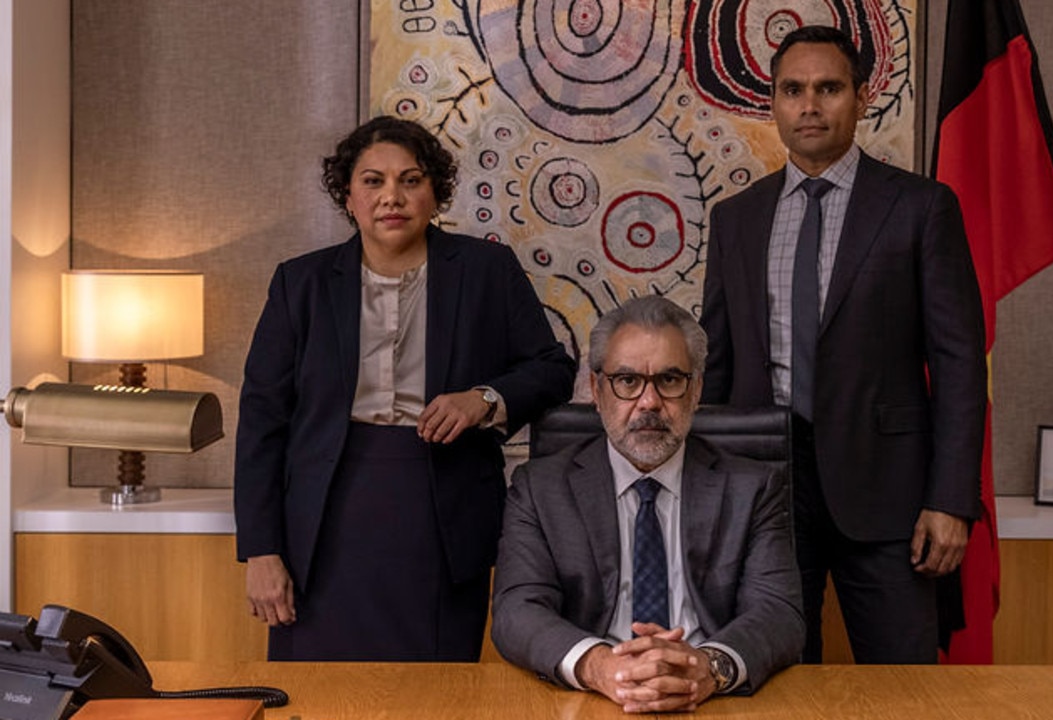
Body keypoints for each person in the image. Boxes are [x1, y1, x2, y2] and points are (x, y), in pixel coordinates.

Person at [234, 116, 576, 661]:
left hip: (443, 513)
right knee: (321, 695)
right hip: (322, 520)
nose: (391, 196)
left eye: (410, 180)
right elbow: (261, 424)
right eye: (373, 181)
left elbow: (553, 368)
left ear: (434, 193)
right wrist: (262, 551)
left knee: (437, 689)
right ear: (348, 196)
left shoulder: (486, 271)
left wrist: (483, 399)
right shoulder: (301, 284)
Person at [699, 25, 987, 664]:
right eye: (792, 90)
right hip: (765, 490)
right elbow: (717, 368)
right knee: (776, 680)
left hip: (890, 499)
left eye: (828, 88)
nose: (809, 105)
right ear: (771, 103)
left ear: (861, 97)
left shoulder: (920, 207)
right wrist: (708, 494)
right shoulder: (736, 219)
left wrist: (950, 500)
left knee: (903, 688)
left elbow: (960, 364)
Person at [491, 295, 803, 712]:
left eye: (670, 380)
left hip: (712, 701)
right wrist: (599, 666)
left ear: (696, 391)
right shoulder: (540, 488)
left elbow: (778, 612)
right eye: (627, 380)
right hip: (591, 699)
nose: (649, 402)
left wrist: (709, 666)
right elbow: (516, 610)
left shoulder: (754, 487)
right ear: (598, 391)